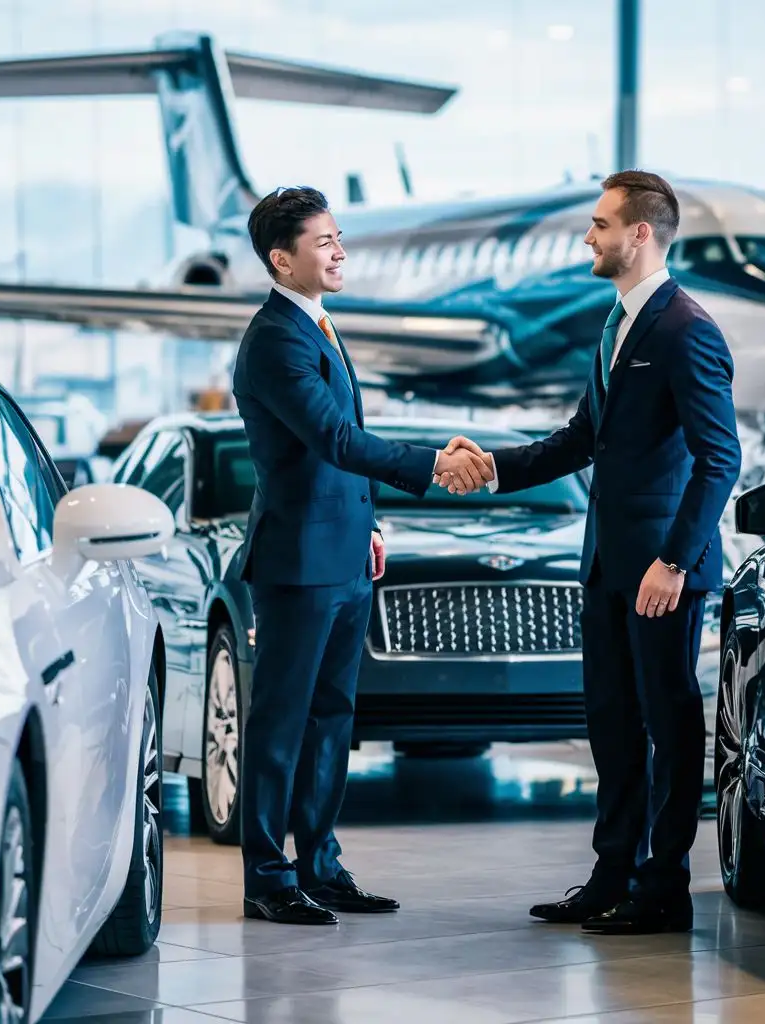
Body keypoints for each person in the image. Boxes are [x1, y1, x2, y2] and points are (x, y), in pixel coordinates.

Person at [437, 171, 742, 935]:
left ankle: (662, 886)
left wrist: (674, 561)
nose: (589, 237)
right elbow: (582, 440)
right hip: (607, 562)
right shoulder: (620, 325)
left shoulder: (686, 329)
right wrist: (495, 467)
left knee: (668, 727)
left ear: (640, 234)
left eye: (601, 224)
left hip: (659, 573)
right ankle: (611, 876)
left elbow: (721, 459)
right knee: (610, 721)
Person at [233, 186, 493, 925]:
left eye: (339, 237)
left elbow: (336, 450)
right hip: (299, 560)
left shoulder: (318, 325)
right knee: (281, 723)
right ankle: (268, 877)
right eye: (323, 242)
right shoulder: (278, 339)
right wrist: (431, 463)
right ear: (282, 259)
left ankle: (319, 864)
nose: (340, 251)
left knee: (331, 718)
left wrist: (370, 521)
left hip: (344, 551)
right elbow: (335, 439)